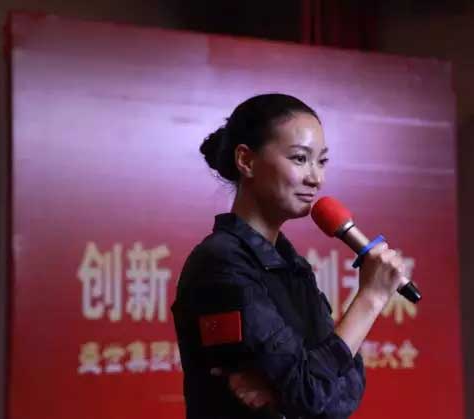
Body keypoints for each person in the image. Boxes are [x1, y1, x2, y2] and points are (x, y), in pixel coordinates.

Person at [171, 93, 408, 419]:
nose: (316, 178)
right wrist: (371, 297)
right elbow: (310, 392)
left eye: (321, 161)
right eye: (300, 159)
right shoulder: (222, 263)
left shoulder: (291, 265)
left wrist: (290, 390)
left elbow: (347, 390)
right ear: (246, 160)